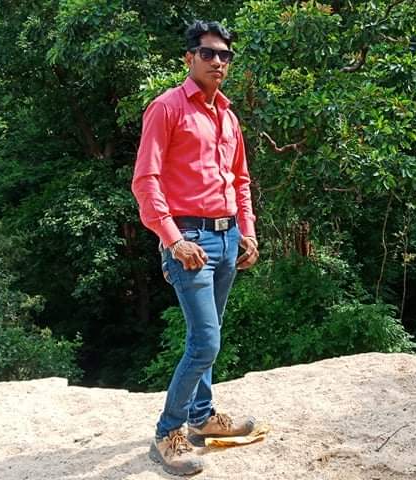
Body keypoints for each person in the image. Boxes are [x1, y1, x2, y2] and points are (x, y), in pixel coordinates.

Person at [131, 19, 260, 476]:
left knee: (210, 334)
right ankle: (168, 433)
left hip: (227, 237)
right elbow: (146, 181)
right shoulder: (166, 108)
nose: (217, 62)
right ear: (189, 58)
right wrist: (174, 239)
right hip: (190, 240)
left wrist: (247, 230)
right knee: (205, 341)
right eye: (208, 53)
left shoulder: (228, 116)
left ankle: (202, 419)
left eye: (225, 55)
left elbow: (240, 180)